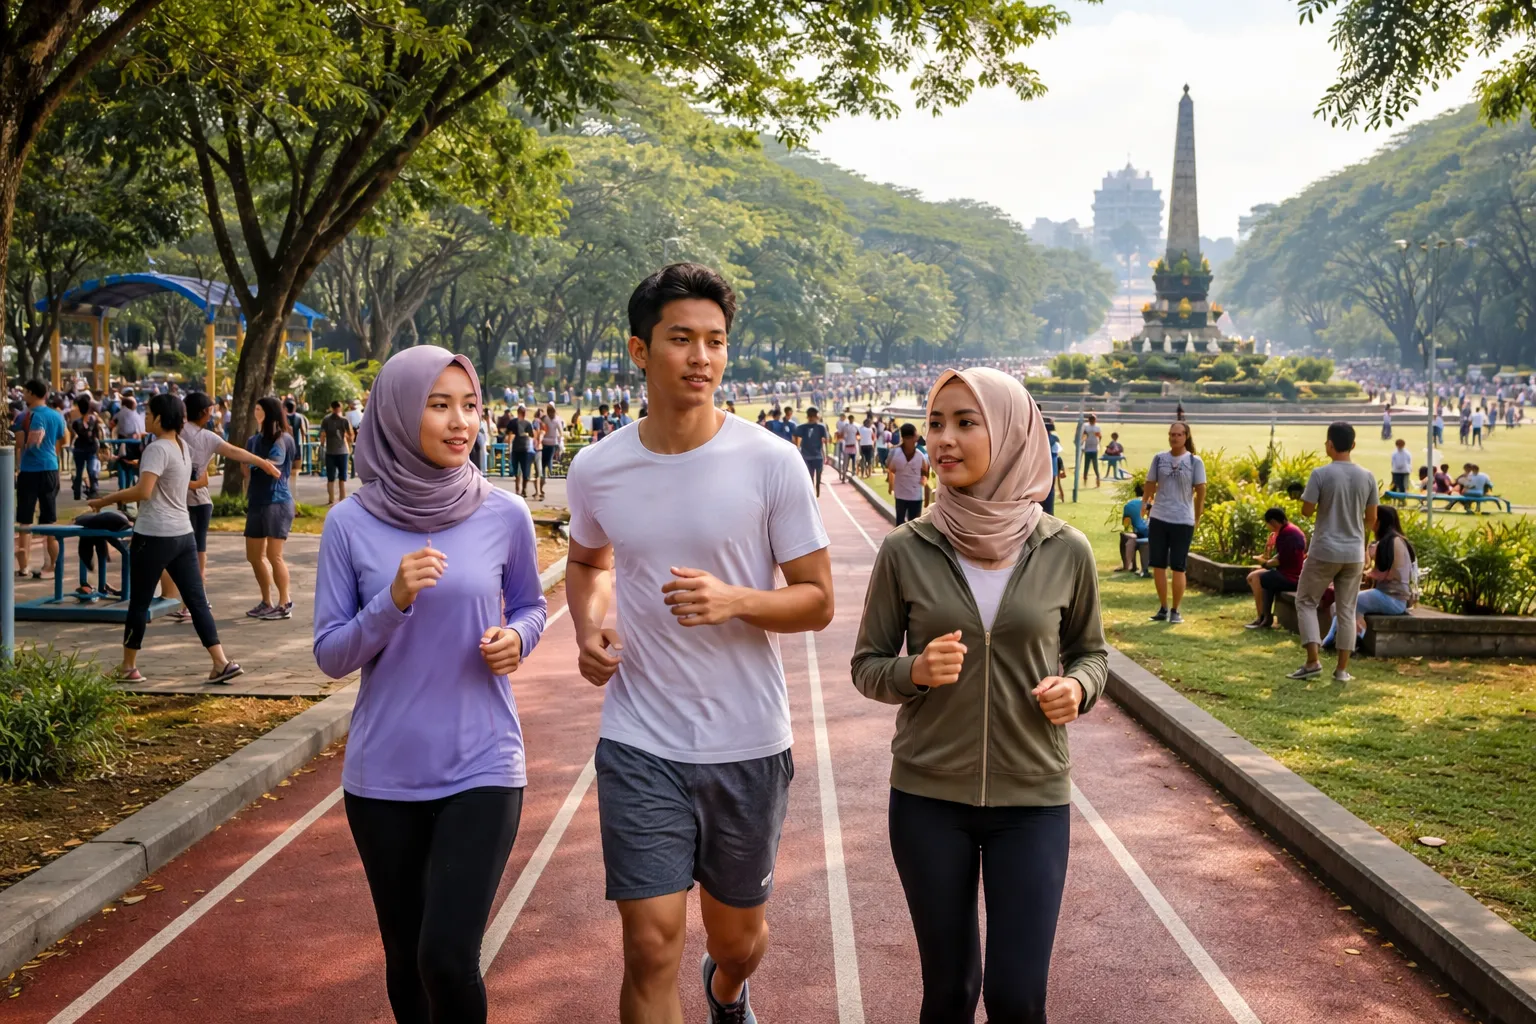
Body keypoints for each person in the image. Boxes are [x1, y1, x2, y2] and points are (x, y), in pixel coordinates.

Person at [565, 264, 832, 1024]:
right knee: (651, 944)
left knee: (738, 938)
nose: (702, 358)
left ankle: (728, 987)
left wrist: (735, 600)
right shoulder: (599, 467)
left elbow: (817, 601)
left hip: (746, 740)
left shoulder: (770, 462)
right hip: (639, 735)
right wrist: (590, 625)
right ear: (639, 350)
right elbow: (588, 563)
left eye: (715, 341)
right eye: (681, 339)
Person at [851, 367, 1107, 1024]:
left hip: (1033, 799)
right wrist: (913, 673)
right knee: (951, 993)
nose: (944, 439)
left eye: (967, 422)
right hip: (928, 800)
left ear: (1013, 433)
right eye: (937, 423)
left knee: (1018, 998)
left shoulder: (1066, 550)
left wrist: (1078, 688)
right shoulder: (906, 550)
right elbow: (867, 665)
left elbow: (1091, 654)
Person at [314, 346, 546, 1024]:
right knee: (405, 958)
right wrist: (391, 600)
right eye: (439, 405)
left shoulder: (504, 515)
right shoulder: (348, 525)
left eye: (469, 406)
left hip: (484, 761)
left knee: (446, 954)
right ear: (394, 412)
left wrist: (519, 639)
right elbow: (331, 654)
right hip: (383, 773)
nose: (460, 422)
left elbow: (531, 605)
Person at [87, 394, 243, 685]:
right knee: (196, 601)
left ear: (160, 418)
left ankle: (128, 667)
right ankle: (221, 662)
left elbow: (143, 491)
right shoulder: (182, 446)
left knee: (139, 603)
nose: (145, 418)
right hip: (183, 535)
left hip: (153, 535)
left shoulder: (157, 448)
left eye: (149, 413)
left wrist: (105, 500)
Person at [1291, 421, 1377, 683]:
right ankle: (1341, 670)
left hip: (1325, 548)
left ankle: (1312, 660)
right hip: (1353, 552)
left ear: (1329, 444)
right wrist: (1364, 545)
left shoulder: (1321, 474)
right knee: (1347, 609)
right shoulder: (1368, 476)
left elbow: (1307, 510)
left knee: (1305, 601)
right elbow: (1371, 517)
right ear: (1353, 444)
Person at [1320, 506, 1416, 649]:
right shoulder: (1390, 540)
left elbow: (1393, 574)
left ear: (1380, 521)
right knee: (1347, 605)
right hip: (1388, 596)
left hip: (1394, 599)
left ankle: (1332, 640)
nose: (1369, 521)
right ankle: (1350, 639)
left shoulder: (1394, 541)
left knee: (1347, 602)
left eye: (1372, 517)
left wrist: (1371, 563)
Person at [1143, 422, 1206, 624]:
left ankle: (1175, 610)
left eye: (1178, 434)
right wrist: (1145, 503)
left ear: (1186, 436)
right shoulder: (1160, 458)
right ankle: (1162, 607)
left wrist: (1197, 517)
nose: (1174, 438)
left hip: (1182, 520)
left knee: (1179, 566)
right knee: (1158, 565)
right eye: (1171, 434)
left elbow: (1200, 492)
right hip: (1160, 517)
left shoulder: (1195, 462)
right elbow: (1150, 484)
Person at [244, 396, 300, 620]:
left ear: (269, 412)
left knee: (274, 555)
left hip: (277, 501)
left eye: (259, 408)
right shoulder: (253, 440)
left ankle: (284, 602)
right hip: (256, 501)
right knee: (254, 555)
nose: (255, 411)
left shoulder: (283, 439)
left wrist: (255, 462)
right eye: (255, 408)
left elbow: (272, 466)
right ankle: (266, 601)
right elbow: (249, 466)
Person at [15, 380, 65, 578]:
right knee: (49, 521)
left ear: (32, 393)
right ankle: (51, 566)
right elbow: (61, 437)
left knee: (25, 522)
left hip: (30, 470)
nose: (23, 396)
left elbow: (24, 443)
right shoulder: (57, 415)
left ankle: (24, 566)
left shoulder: (28, 416)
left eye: (25, 392)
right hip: (51, 469)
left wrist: (20, 439)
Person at [1243, 508, 1306, 629]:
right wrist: (1267, 561)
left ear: (1273, 522)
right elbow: (1282, 555)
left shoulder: (1287, 534)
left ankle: (1264, 617)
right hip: (1289, 572)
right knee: (1252, 576)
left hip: (1293, 577)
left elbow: (1279, 561)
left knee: (1263, 578)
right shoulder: (1289, 530)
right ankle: (1261, 616)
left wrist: (1264, 564)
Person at [886, 422, 929, 525]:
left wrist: (926, 497)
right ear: (913, 437)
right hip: (901, 496)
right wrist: (891, 486)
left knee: (914, 527)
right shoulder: (895, 454)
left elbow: (925, 476)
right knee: (900, 525)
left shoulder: (920, 456)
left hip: (916, 497)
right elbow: (891, 470)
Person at [69, 393, 104, 500]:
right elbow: (90, 434)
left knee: (88, 471)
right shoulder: (81, 422)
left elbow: (95, 433)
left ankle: (91, 491)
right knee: (86, 471)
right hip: (85, 448)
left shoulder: (90, 420)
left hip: (87, 448)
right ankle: (80, 491)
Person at [320, 400, 356, 504]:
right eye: (335, 408)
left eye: (337, 408)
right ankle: (332, 499)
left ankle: (341, 499)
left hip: (342, 451)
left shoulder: (343, 420)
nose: (336, 410)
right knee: (332, 477)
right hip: (331, 452)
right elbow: (322, 434)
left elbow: (351, 435)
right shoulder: (327, 420)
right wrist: (322, 445)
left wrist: (346, 437)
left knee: (341, 477)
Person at [792, 406, 830, 496]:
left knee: (812, 476)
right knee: (812, 476)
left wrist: (796, 447)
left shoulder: (819, 427)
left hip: (812, 455)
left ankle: (815, 490)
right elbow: (826, 441)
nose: (813, 418)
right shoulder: (817, 427)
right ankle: (815, 491)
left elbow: (794, 436)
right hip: (812, 456)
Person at [1118, 482, 1149, 575]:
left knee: (1124, 536)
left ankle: (1128, 565)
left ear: (1135, 492)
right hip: (1151, 532)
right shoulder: (1151, 503)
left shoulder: (1129, 505)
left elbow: (1126, 524)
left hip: (1138, 532)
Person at [509, 404, 535, 498]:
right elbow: (509, 434)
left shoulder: (528, 423)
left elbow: (532, 435)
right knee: (517, 471)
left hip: (524, 448)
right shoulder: (513, 422)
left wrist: (526, 434)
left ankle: (523, 489)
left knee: (525, 471)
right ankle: (518, 489)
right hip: (517, 447)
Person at [539, 403, 564, 500]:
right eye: (549, 412)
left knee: (547, 460)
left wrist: (559, 442)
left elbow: (560, 432)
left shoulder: (557, 420)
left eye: (551, 412)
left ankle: (547, 471)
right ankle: (544, 476)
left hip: (551, 443)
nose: (550, 414)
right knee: (543, 462)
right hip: (545, 442)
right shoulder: (545, 419)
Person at [1079, 413, 1102, 486]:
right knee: (1087, 465)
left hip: (1094, 448)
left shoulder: (1097, 427)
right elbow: (1083, 435)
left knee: (1095, 465)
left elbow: (1099, 436)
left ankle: (1097, 477)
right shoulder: (1086, 426)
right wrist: (1082, 443)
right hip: (1087, 447)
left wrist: (1098, 442)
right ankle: (1085, 478)